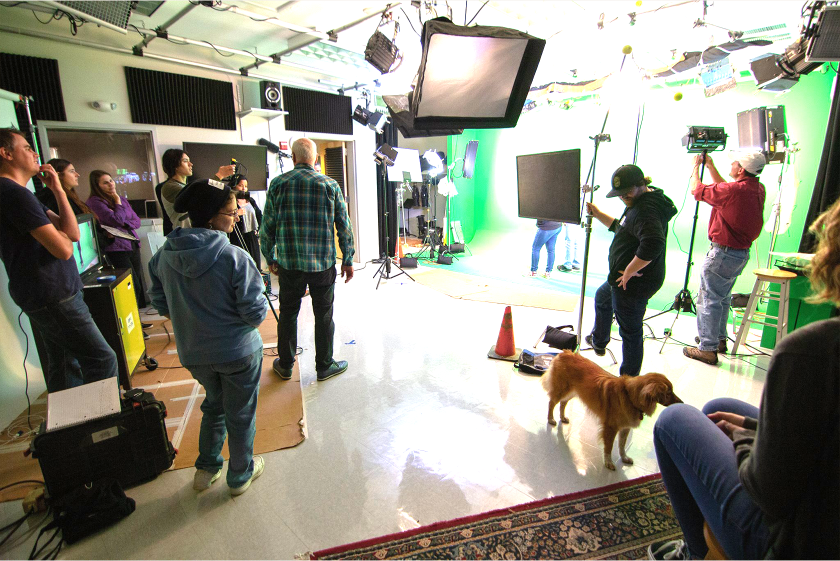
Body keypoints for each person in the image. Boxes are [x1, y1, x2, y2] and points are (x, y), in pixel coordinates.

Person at [649, 198, 840, 560]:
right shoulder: (755, 193)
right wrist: (756, 429)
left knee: (675, 419)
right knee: (721, 406)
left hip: (798, 544)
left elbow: (768, 493)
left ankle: (694, 553)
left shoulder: (813, 351)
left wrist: (744, 440)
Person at [148, 178, 268, 496]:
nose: (237, 216)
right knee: (240, 412)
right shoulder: (235, 259)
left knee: (214, 405)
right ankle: (240, 474)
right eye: (231, 212)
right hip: (238, 352)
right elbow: (256, 314)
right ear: (213, 217)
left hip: (194, 354)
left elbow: (159, 302)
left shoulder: (162, 257)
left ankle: (206, 468)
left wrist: (191, 320)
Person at [0, 128, 117, 392]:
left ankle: (70, 428)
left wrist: (57, 189)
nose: (34, 153)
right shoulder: (12, 193)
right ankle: (99, 427)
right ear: (6, 154)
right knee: (102, 359)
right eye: (26, 147)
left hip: (51, 292)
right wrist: (62, 237)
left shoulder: (22, 193)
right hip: (52, 294)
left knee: (65, 363)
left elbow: (73, 233)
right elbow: (64, 250)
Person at [260, 138, 355, 382]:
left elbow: (267, 227)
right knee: (323, 314)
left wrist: (270, 256)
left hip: (289, 265)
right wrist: (347, 258)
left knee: (289, 313)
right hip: (322, 264)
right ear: (314, 159)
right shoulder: (329, 185)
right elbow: (343, 226)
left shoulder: (278, 184)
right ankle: (324, 366)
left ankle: (286, 365)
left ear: (293, 157)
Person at [585, 164, 677, 377]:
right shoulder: (639, 201)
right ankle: (599, 341)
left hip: (633, 283)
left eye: (627, 192)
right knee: (602, 297)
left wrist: (628, 271)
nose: (623, 197)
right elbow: (624, 228)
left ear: (642, 184)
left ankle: (628, 381)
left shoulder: (646, 209)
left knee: (630, 331)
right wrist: (598, 214)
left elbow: (653, 243)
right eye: (620, 194)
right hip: (622, 280)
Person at [683, 150, 767, 365]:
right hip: (739, 254)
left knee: (708, 299)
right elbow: (725, 192)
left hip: (722, 253)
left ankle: (707, 349)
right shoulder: (757, 189)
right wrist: (710, 167)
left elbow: (697, 190)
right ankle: (718, 340)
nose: (730, 165)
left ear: (740, 170)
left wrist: (695, 167)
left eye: (733, 163)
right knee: (721, 298)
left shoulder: (733, 191)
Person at [86, 170, 147, 309]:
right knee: (131, 285)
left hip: (132, 244)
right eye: (105, 183)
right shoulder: (95, 202)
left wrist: (124, 224)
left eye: (111, 181)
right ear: (97, 186)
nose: (110, 184)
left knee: (137, 283)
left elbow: (136, 221)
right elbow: (116, 219)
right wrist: (118, 204)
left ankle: (137, 322)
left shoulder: (119, 198)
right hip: (116, 248)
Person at [157, 149, 235, 235]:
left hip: (195, 234)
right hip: (186, 237)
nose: (191, 164)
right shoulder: (169, 187)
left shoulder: (186, 186)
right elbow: (200, 192)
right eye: (185, 161)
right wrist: (220, 175)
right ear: (174, 165)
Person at [229, 176, 263, 270]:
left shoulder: (250, 200)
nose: (244, 188)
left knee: (254, 264)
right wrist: (236, 213)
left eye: (245, 186)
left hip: (251, 236)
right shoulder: (231, 201)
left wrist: (258, 229)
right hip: (237, 236)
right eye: (241, 185)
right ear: (234, 186)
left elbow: (259, 215)